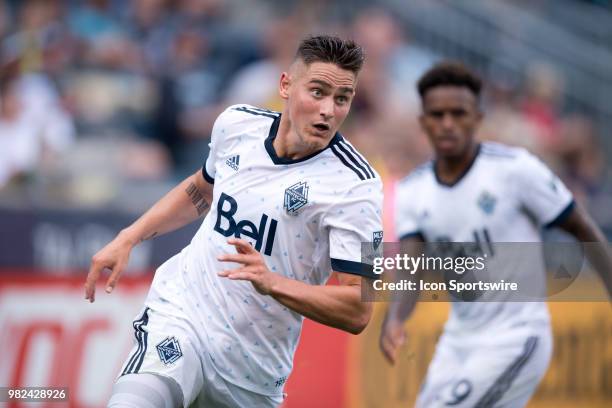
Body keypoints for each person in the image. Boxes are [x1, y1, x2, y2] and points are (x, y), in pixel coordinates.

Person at [85, 35, 382, 408]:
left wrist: (272, 282)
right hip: (184, 315)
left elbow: (359, 308)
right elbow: (202, 190)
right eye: (318, 92)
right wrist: (129, 236)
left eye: (342, 98)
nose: (328, 110)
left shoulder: (359, 187)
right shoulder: (237, 124)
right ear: (285, 86)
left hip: (251, 375)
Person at [379, 61, 612, 407]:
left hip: (517, 336)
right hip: (457, 340)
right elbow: (410, 267)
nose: (447, 124)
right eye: (437, 114)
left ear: (477, 117)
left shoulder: (515, 170)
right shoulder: (413, 190)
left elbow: (583, 228)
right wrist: (395, 318)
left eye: (458, 113)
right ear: (423, 122)